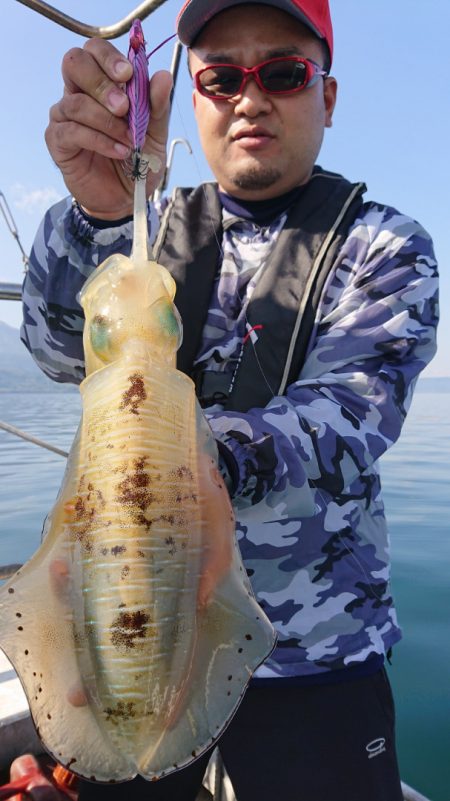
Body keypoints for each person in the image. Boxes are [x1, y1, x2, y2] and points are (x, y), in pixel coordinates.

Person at [20, 1, 439, 800]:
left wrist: (156, 454)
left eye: (282, 73)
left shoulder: (384, 247)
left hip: (314, 650)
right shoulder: (149, 227)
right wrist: (98, 212)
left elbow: (346, 419)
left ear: (329, 96)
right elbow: (51, 349)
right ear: (198, 95)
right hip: (128, 618)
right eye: (220, 76)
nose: (250, 99)